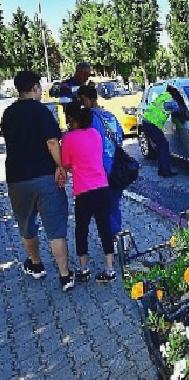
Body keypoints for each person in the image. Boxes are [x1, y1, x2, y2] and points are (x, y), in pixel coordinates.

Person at [0, 71, 75, 291]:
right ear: (34, 88)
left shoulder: (8, 114)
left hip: (17, 179)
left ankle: (36, 265)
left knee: (27, 224)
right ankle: (64, 276)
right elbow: (52, 142)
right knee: (55, 228)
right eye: (40, 87)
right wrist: (61, 166)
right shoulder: (41, 111)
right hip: (45, 177)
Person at [61, 102, 116, 283]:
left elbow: (66, 164)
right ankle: (110, 269)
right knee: (104, 227)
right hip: (102, 187)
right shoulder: (95, 134)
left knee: (81, 229)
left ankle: (84, 269)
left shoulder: (68, 138)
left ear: (71, 118)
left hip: (84, 191)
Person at [77, 85, 125, 235]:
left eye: (83, 100)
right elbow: (120, 135)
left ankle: (115, 238)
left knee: (102, 208)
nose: (82, 103)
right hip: (117, 167)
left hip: (100, 169)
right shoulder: (109, 115)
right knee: (114, 205)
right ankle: (119, 239)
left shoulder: (88, 118)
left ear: (91, 99)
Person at [139, 87, 179, 177]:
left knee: (161, 146)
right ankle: (165, 171)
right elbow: (178, 109)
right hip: (152, 124)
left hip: (146, 122)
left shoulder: (163, 95)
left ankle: (162, 170)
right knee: (164, 146)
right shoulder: (170, 100)